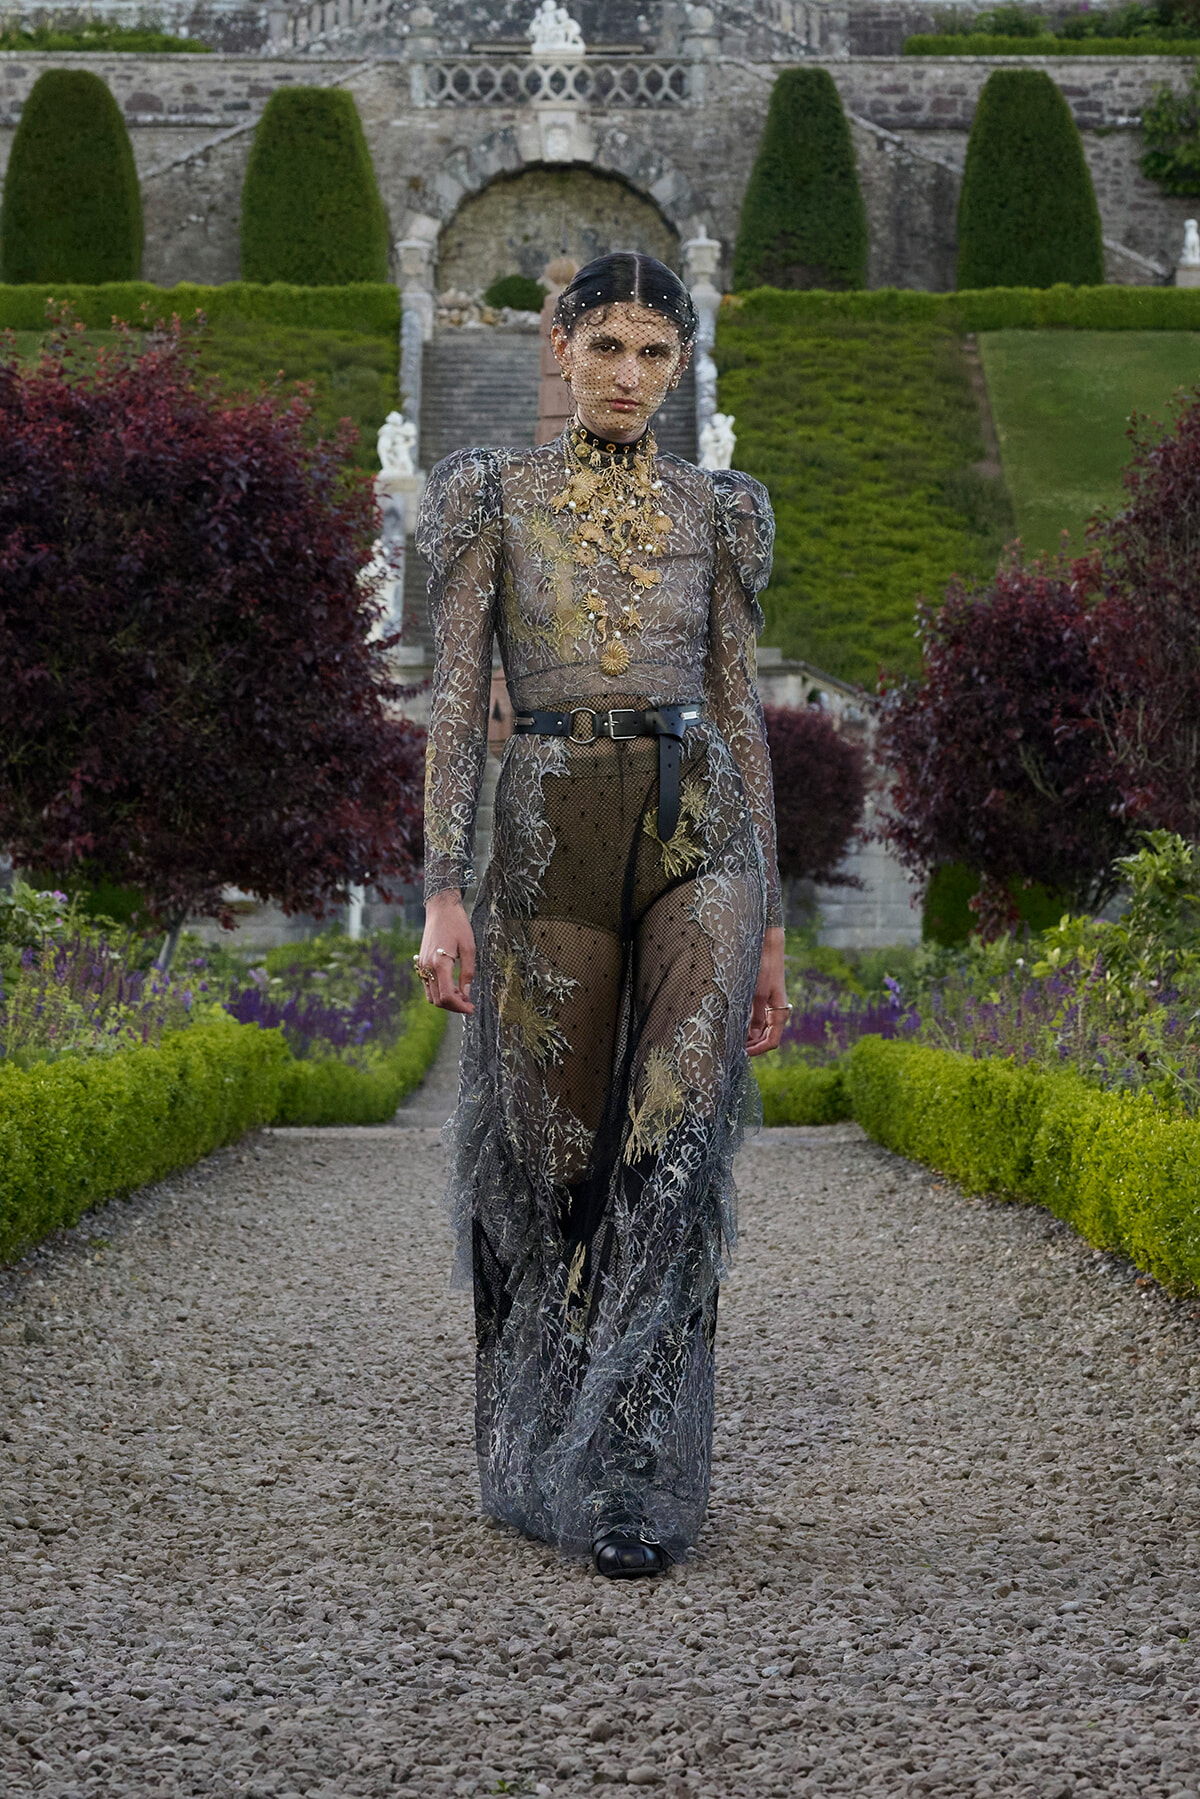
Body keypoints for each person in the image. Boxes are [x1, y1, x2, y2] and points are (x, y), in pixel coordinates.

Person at [414, 251, 789, 1579]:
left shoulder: (719, 511)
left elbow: (742, 713)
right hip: (547, 825)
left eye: (655, 352)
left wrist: (774, 930)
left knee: (672, 1159)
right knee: (557, 1172)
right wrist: (443, 890)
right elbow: (457, 705)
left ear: (681, 366)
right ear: (558, 349)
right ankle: (545, 1436)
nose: (630, 374)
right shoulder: (489, 499)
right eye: (608, 346)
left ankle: (635, 1479)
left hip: (700, 834)